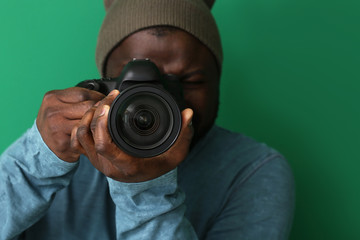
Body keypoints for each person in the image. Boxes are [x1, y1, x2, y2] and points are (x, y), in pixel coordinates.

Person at [0, 0, 295, 239]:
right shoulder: (66, 148)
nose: (165, 99)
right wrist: (35, 162)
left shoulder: (252, 172)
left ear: (218, 80)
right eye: (139, 85)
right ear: (104, 83)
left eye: (189, 81)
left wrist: (147, 188)